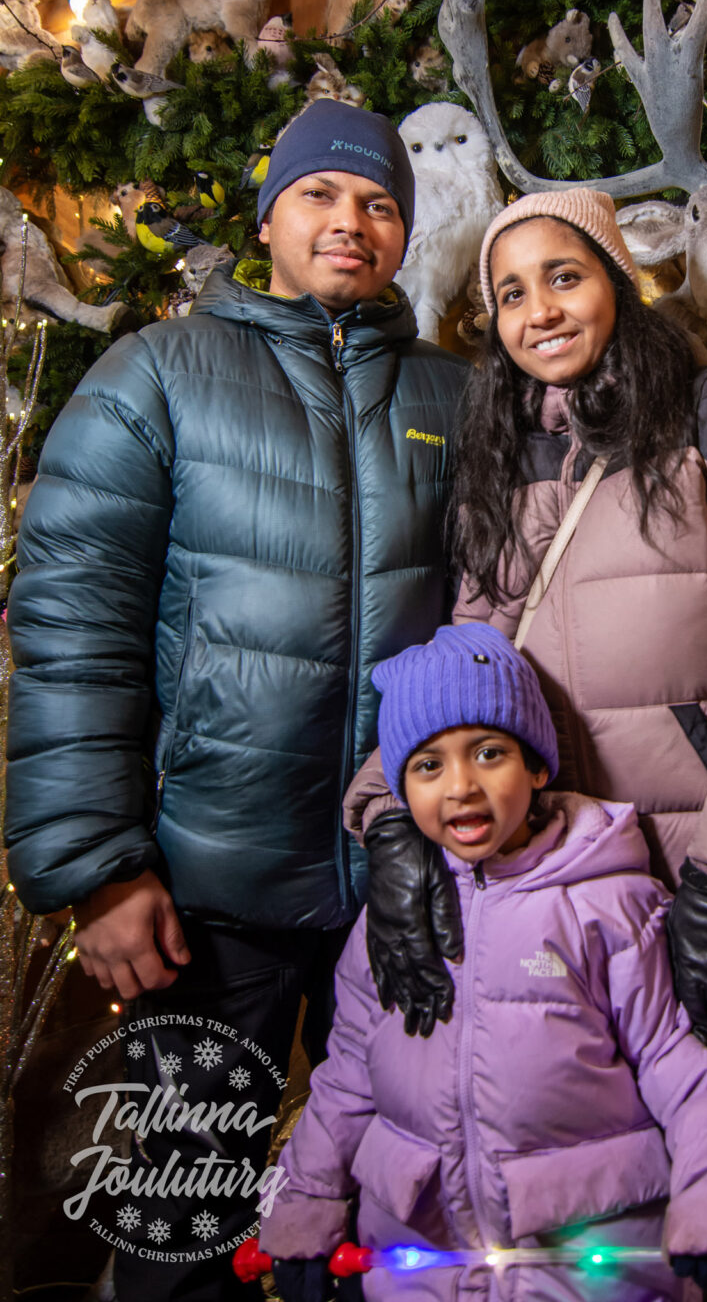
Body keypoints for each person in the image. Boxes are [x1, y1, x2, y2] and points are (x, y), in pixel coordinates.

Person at [347, 188, 707, 1295]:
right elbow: (468, 664)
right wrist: (389, 813)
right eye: (508, 293)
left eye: (563, 277)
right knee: (623, 1201)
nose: (537, 311)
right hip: (572, 900)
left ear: (619, 281)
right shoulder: (503, 454)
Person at [4, 101, 468, 1302]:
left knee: (393, 1218)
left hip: (408, 890)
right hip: (210, 893)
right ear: (267, 218)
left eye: (378, 202)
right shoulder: (156, 375)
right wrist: (98, 867)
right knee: (182, 1222)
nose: (349, 220)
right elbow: (73, 631)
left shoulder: (454, 395)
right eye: (319, 194)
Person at [259, 623, 707, 1302]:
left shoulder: (611, 902)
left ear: (537, 767)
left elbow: (688, 1065)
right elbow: (346, 1075)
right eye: (428, 766)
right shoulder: (392, 921)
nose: (461, 786)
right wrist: (306, 1203)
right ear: (399, 788)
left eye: (488, 753)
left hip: (587, 1264)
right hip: (420, 1256)